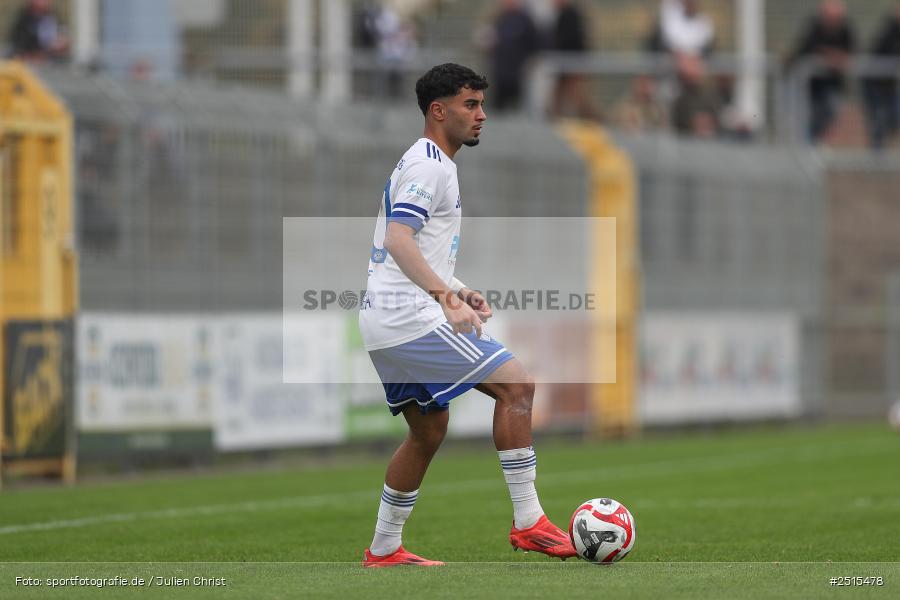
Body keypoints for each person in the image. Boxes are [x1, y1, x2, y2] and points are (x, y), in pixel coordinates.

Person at [359, 63, 577, 567]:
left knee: (428, 431)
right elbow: (397, 239)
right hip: (408, 317)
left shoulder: (426, 161)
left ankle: (385, 548)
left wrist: (458, 288)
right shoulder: (430, 165)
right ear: (439, 111)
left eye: (482, 104)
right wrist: (443, 297)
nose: (482, 115)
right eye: (470, 105)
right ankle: (530, 523)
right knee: (516, 387)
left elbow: (406, 245)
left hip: (384, 318)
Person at [786, 0, 856, 143]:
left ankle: (814, 145)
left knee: (831, 114)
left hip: (833, 85)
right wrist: (828, 56)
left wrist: (838, 58)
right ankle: (807, 149)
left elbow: (851, 52)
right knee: (805, 119)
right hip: (810, 87)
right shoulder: (814, 28)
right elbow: (805, 49)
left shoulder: (846, 30)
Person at [483, 0, 540, 112]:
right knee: (498, 105)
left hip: (518, 70)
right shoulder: (500, 18)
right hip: (500, 69)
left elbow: (534, 43)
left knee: (517, 105)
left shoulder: (525, 19)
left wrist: (529, 61)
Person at [548, 0, 597, 120]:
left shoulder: (570, 14)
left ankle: (594, 122)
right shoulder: (567, 14)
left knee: (577, 98)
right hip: (566, 65)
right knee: (559, 100)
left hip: (571, 65)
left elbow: (572, 40)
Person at [863, 3, 900, 149]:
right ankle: (876, 157)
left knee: (893, 119)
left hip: (890, 85)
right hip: (874, 85)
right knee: (878, 120)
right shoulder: (888, 29)